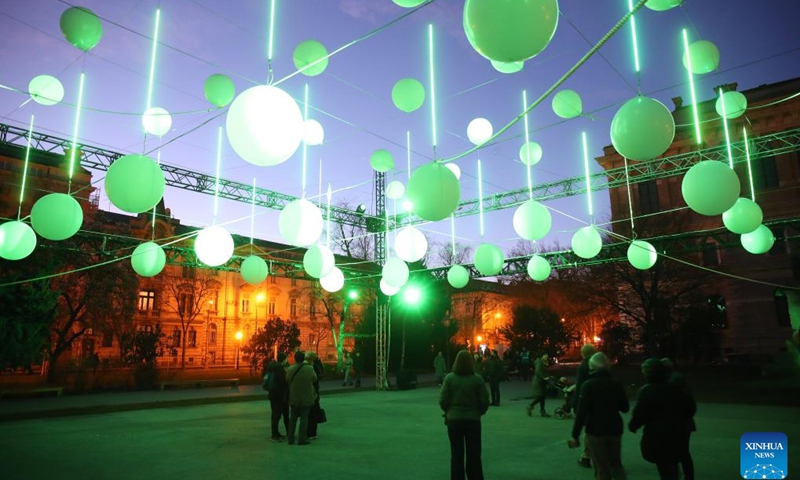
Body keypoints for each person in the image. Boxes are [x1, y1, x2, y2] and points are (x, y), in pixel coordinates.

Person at [628, 358, 696, 480]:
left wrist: (634, 425)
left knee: (664, 465)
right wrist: (681, 418)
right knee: (673, 462)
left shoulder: (647, 391)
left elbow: (640, 413)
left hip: (657, 435)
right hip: (677, 431)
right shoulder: (676, 388)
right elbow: (690, 407)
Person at [568, 352, 629, 480]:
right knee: (616, 463)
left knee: (601, 466)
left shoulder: (588, 385)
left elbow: (582, 413)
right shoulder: (616, 384)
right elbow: (625, 408)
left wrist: (575, 435)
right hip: (614, 427)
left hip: (595, 429)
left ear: (592, 367)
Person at [440, 349, 490, 480]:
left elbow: (443, 400)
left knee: (456, 454)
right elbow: (485, 400)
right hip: (473, 420)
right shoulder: (477, 380)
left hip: (454, 420)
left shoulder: (450, 378)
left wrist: (448, 411)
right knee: (474, 455)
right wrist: (479, 412)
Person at [662, 358, 696, 480]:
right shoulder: (678, 380)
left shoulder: (671, 382)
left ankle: (679, 475)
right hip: (684, 422)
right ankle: (688, 476)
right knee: (683, 451)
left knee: (676, 452)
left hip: (677, 423)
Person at [286, 350, 317, 446]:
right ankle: (302, 438)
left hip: (294, 396)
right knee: (304, 418)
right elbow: (315, 378)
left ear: (295, 358)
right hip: (306, 396)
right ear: (303, 358)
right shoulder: (309, 368)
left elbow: (287, 380)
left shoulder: (290, 369)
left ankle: (290, 438)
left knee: (293, 418)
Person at [575, 343, 598, 468]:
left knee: (589, 430)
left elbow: (580, 386)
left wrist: (575, 404)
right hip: (602, 402)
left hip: (589, 402)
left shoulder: (584, 366)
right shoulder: (600, 364)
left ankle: (586, 456)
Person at [265, 352, 289, 442]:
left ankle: (275, 433)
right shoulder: (280, 369)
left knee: (275, 414)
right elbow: (283, 382)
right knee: (278, 415)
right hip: (279, 395)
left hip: (272, 394)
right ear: (283, 359)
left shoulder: (271, 367)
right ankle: (275, 435)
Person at [306, 351, 325, 440]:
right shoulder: (315, 367)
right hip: (314, 392)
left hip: (309, 391)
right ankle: (312, 432)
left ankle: (308, 431)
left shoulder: (308, 367)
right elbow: (320, 372)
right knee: (313, 413)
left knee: (308, 413)